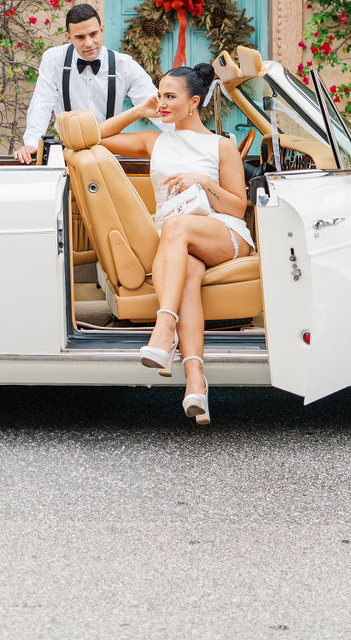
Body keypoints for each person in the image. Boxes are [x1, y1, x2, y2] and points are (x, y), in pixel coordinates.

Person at [97, 60, 253, 426]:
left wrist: (203, 182)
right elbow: (94, 137)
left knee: (176, 227)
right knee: (186, 274)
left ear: (194, 102)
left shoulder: (220, 146)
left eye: (170, 96)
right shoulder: (156, 141)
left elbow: (238, 206)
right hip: (178, 243)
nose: (161, 102)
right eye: (159, 94)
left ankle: (164, 329)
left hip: (223, 233)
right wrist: (139, 109)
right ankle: (196, 382)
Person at [16, 3, 159, 164]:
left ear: (102, 30)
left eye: (93, 34)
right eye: (80, 37)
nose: (89, 43)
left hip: (109, 154)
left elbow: (154, 103)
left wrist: (183, 138)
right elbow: (42, 103)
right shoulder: (54, 60)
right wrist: (32, 144)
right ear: (69, 38)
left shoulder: (124, 65)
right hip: (69, 155)